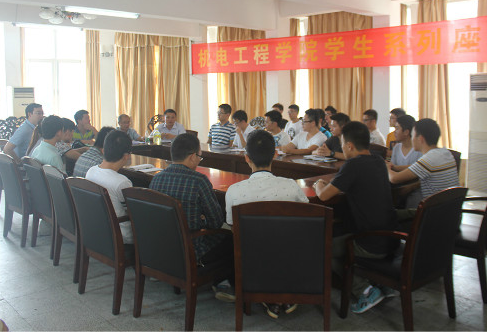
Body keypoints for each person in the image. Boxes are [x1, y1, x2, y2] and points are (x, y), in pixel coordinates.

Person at [314, 121, 398, 314]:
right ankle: (379, 282)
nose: (342, 148)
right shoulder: (378, 160)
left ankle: (365, 290)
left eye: (343, 144)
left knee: (322, 247)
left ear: (350, 145)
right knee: (339, 233)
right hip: (391, 237)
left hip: (371, 243)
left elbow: (324, 196)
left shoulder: (353, 165)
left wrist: (319, 183)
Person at [225, 130, 308, 318]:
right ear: (275, 155)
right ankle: (283, 293)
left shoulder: (234, 191)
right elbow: (306, 219)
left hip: (251, 257)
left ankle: (266, 293)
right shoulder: (291, 186)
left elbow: (232, 226)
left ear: (247, 158)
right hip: (288, 256)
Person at [150, 134, 234, 302]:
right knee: (232, 237)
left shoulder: (156, 178)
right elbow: (216, 221)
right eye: (200, 157)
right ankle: (223, 282)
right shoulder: (199, 180)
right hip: (191, 249)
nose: (199, 161)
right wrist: (202, 220)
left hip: (163, 247)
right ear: (192, 157)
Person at [387, 118, 459, 208]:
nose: (412, 139)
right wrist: (394, 167)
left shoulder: (429, 159)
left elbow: (394, 179)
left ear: (420, 139)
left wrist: (387, 167)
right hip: (451, 210)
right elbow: (414, 167)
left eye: (413, 135)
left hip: (433, 212)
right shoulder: (445, 153)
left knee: (391, 214)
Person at [85, 130, 134, 244]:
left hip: (98, 228)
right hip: (121, 235)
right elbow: (133, 213)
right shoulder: (122, 182)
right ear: (126, 156)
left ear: (103, 150)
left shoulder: (91, 171)